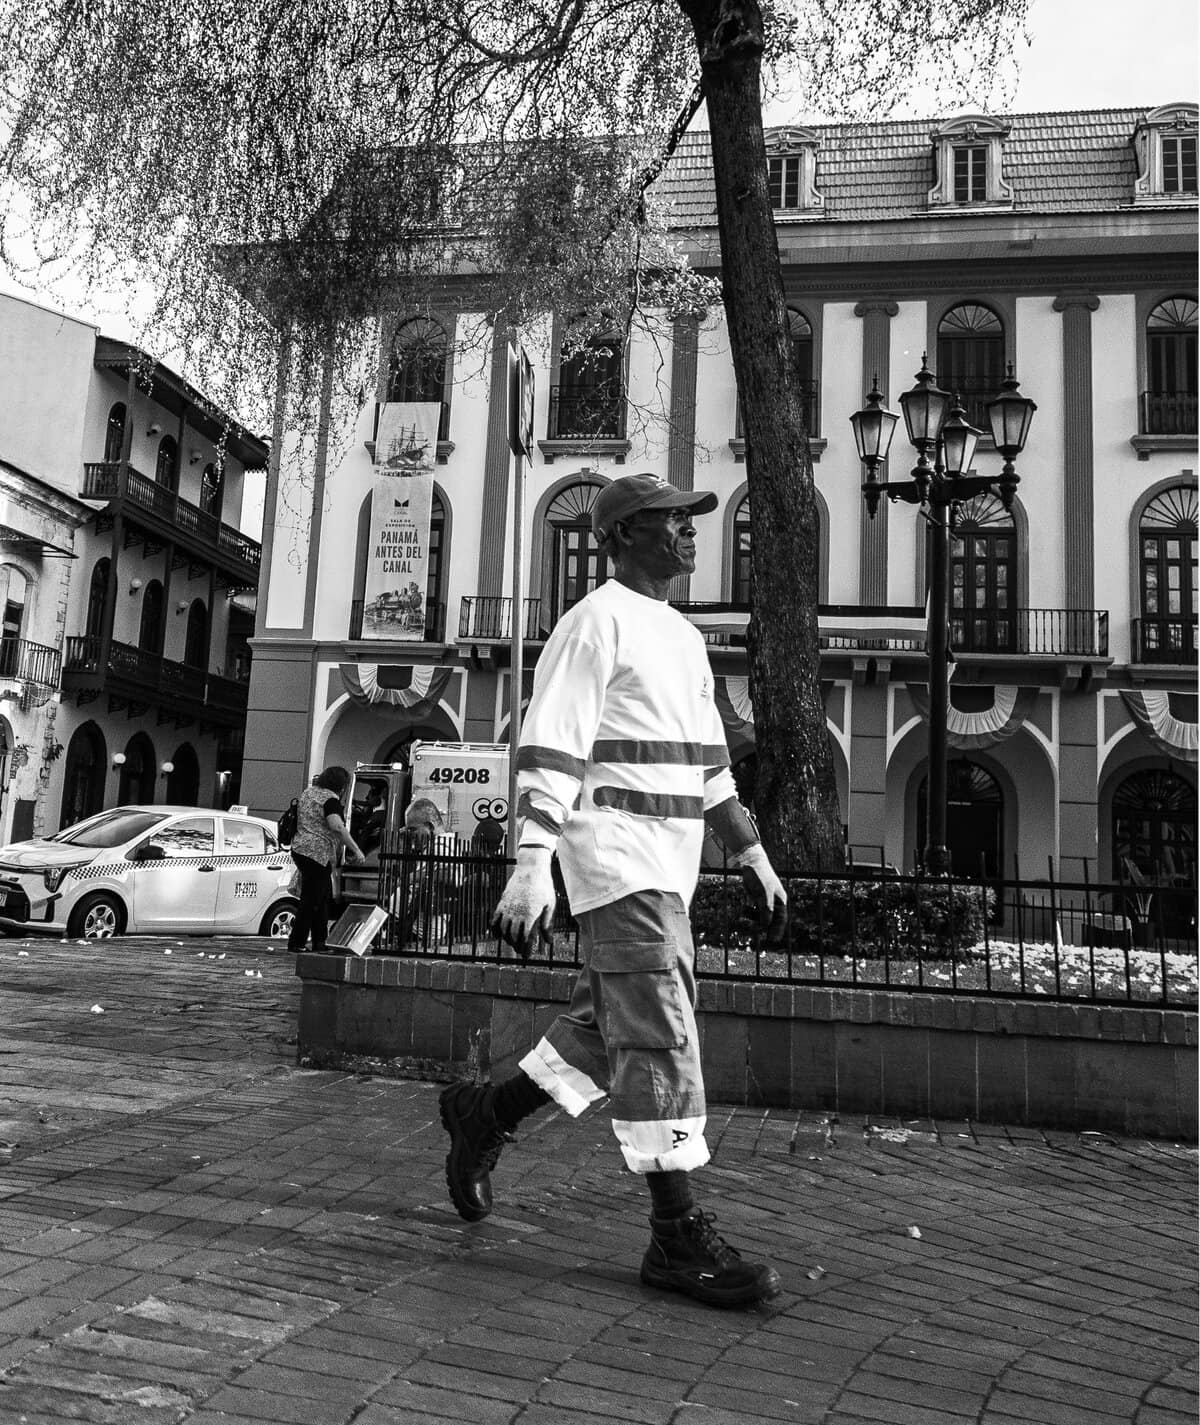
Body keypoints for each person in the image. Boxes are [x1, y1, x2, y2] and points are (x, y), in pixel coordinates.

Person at [437, 473, 788, 1308]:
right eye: (674, 520)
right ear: (627, 533)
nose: (691, 532)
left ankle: (485, 1114)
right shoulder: (591, 624)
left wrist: (751, 849)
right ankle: (675, 1234)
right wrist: (533, 861)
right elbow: (550, 747)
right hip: (617, 862)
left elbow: (709, 765)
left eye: (691, 520)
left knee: (613, 1026)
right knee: (662, 1026)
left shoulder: (684, 638)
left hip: (671, 868)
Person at [286, 765, 364, 953]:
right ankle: (296, 942)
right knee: (312, 899)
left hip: (299, 848)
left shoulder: (308, 793)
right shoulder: (331, 800)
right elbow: (337, 827)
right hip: (317, 853)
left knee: (321, 898)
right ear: (341, 785)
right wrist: (356, 849)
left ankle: (321, 942)